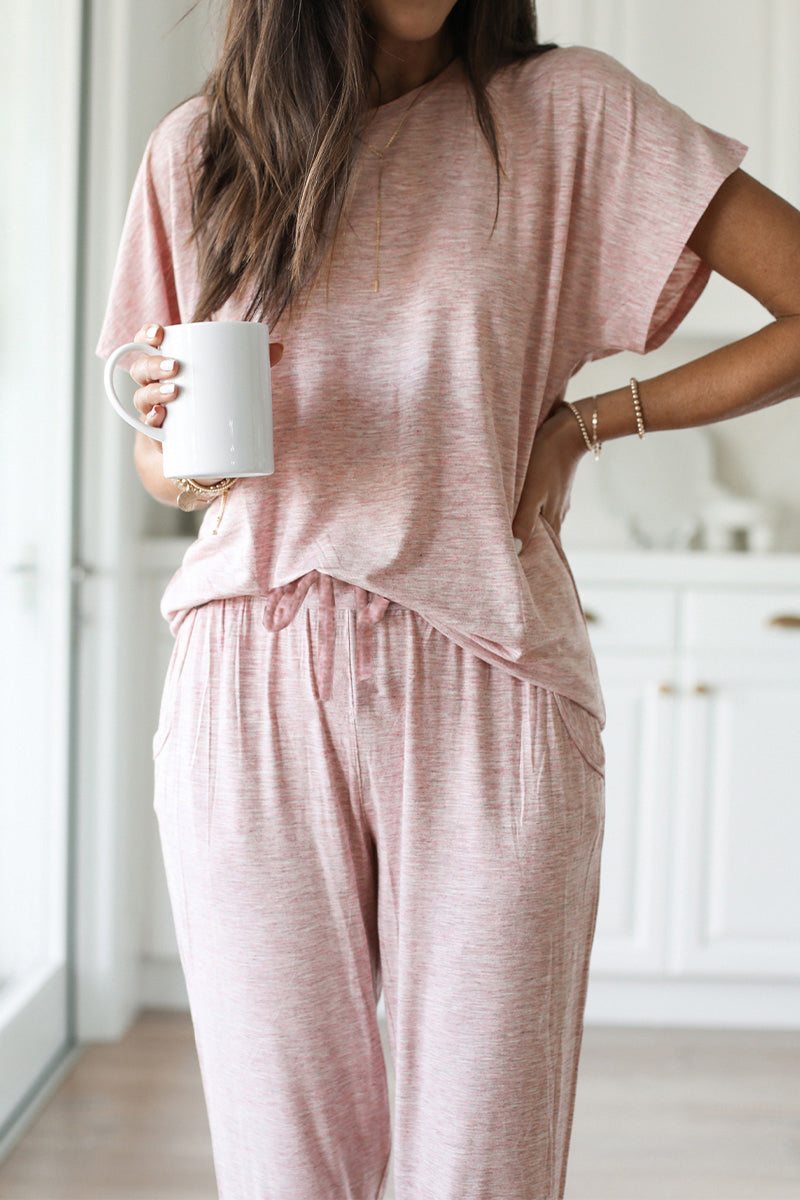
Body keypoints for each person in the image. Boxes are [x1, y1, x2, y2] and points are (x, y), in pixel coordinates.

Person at [95, 1, 800, 1196]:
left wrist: (585, 424)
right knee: (282, 1170)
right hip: (248, 677)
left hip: (490, 667)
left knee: (483, 1167)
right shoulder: (199, 151)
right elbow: (159, 463)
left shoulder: (566, 113)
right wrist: (186, 452)